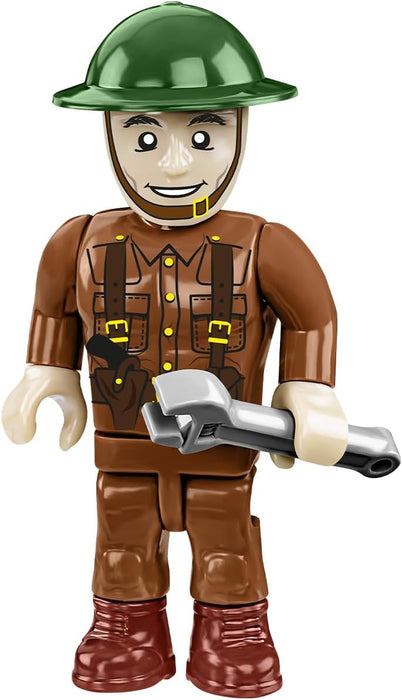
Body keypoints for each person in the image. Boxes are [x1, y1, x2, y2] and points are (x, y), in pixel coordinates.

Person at [2, 3, 348, 697]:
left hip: (226, 441)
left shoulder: (267, 244)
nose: (174, 161)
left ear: (240, 130)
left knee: (225, 545)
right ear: (109, 132)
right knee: (121, 542)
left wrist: (308, 389)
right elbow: (53, 309)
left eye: (203, 133)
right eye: (143, 135)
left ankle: (234, 631)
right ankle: (124, 628)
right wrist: (48, 371)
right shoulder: (78, 241)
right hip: (123, 440)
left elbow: (313, 318)